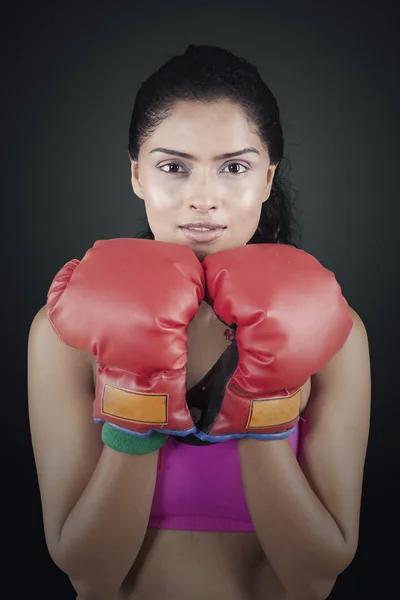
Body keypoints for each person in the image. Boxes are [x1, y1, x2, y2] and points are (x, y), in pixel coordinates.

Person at [28, 45, 371, 600]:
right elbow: (88, 573)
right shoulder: (64, 330)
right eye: (173, 167)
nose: (204, 199)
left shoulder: (334, 331)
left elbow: (316, 576)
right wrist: (135, 394)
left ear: (267, 178)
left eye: (234, 167)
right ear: (138, 175)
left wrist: (261, 393)